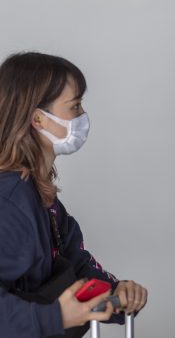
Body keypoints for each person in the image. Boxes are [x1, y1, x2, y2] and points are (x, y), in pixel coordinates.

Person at [0, 52, 148, 338]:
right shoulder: (10, 201)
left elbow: (76, 264)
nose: (83, 117)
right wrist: (53, 317)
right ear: (38, 119)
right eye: (75, 106)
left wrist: (117, 292)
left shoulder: (41, 196)